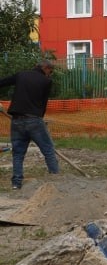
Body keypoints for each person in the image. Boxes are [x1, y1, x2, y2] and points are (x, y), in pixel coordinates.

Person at [0, 58, 60, 190]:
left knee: (18, 153)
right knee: (48, 150)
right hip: (34, 120)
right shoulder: (46, 81)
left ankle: (16, 183)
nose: (50, 74)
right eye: (50, 72)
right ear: (45, 68)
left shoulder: (21, 75)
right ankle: (56, 180)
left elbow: (2, 82)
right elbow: (43, 102)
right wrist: (40, 118)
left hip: (16, 120)